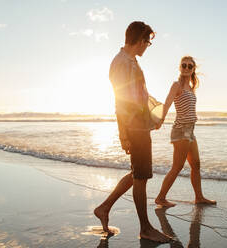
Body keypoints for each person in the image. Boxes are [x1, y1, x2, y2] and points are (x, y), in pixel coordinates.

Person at [94, 21, 171, 243]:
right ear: (139, 40)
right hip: (133, 127)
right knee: (141, 175)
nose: (147, 46)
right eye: (147, 42)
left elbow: (139, 96)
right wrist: (123, 134)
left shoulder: (131, 62)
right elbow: (121, 100)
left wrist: (152, 116)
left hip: (140, 124)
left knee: (138, 173)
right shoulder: (121, 63)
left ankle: (104, 207)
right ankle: (145, 228)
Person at [155, 56, 216, 207]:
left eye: (190, 66)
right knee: (177, 166)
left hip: (190, 131)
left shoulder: (191, 87)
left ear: (193, 69)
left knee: (196, 164)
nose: (187, 68)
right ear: (180, 67)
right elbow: (168, 102)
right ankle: (160, 198)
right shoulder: (176, 85)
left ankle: (199, 197)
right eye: (184, 65)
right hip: (181, 130)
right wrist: (160, 119)